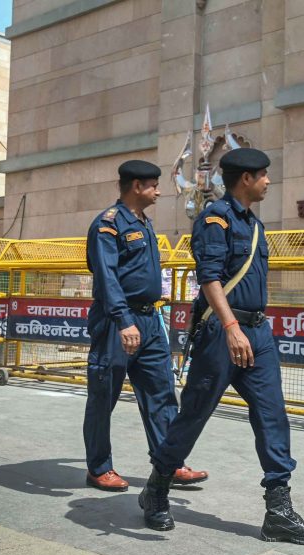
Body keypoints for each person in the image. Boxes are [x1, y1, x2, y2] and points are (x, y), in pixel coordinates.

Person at [138, 148, 304, 545]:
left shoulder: (254, 224)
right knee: (193, 415)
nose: (268, 181)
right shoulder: (214, 219)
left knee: (272, 415)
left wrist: (249, 329)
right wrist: (229, 326)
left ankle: (278, 512)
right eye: (263, 175)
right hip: (223, 333)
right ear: (245, 179)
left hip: (257, 332)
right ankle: (157, 488)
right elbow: (209, 278)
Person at [83, 160, 207, 491]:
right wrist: (124, 321)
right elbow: (107, 278)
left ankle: (169, 462)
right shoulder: (108, 225)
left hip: (150, 320)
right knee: (103, 395)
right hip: (117, 322)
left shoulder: (144, 222)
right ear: (136, 186)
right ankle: (99, 467)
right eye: (154, 185)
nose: (159, 190)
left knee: (161, 393)